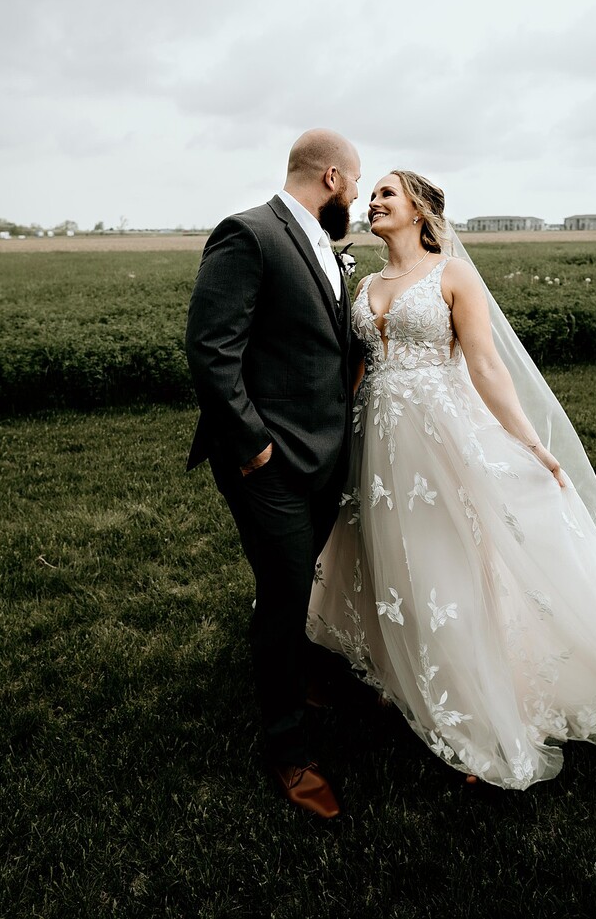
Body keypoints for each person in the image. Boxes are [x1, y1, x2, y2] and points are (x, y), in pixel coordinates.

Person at [308, 170, 596, 790]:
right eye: (372, 195)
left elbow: (485, 364)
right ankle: (402, 676)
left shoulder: (452, 275)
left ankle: (477, 713)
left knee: (447, 565)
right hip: (377, 442)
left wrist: (530, 444)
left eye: (388, 193)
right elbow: (358, 369)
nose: (373, 202)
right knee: (391, 561)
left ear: (419, 209)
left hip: (440, 439)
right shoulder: (365, 285)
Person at [185, 129, 361, 819]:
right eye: (356, 182)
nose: (357, 195)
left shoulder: (325, 246)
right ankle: (289, 752)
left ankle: (298, 674)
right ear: (332, 176)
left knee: (293, 586)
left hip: (322, 455)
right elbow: (211, 350)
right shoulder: (249, 233)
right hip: (269, 464)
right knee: (286, 594)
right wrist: (253, 447)